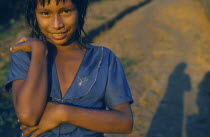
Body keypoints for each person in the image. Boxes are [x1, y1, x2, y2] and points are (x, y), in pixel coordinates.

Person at [5, 0, 134, 136]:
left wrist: (63, 113)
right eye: (45, 13)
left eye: (66, 11)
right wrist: (39, 51)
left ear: (79, 11)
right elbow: (27, 115)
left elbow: (125, 123)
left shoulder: (103, 58)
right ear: (34, 15)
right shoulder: (26, 56)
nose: (57, 24)